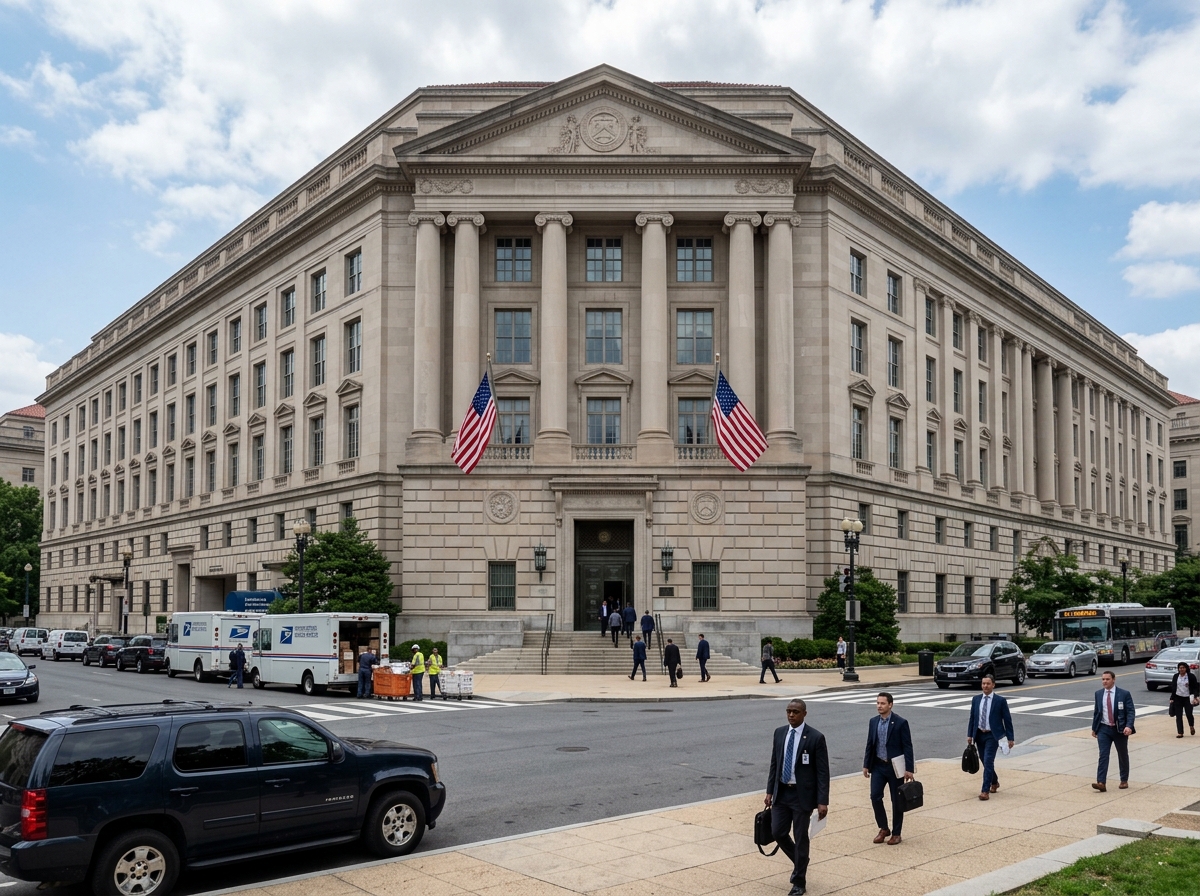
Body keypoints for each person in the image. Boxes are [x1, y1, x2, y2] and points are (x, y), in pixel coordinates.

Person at [765, 698, 830, 896]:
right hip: (782, 792)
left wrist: (822, 801)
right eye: (788, 711)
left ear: (804, 714)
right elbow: (774, 764)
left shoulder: (815, 738)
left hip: (802, 796)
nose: (791, 715)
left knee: (801, 837)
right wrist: (769, 791)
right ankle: (801, 860)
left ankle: (799, 881)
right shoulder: (780, 733)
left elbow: (822, 772)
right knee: (777, 832)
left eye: (795, 712)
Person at [862, 692, 914, 845]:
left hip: (894, 767)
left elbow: (907, 746)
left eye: (882, 703)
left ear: (890, 705)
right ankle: (884, 828)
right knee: (875, 796)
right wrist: (866, 764)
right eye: (877, 703)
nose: (879, 706)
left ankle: (896, 833)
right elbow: (869, 744)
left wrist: (909, 768)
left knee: (897, 800)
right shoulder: (873, 722)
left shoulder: (900, 723)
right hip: (878, 765)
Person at [967, 674, 1015, 800]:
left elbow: (1007, 720)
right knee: (985, 761)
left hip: (993, 735)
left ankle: (985, 791)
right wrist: (970, 735)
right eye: (983, 683)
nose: (985, 686)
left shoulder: (1000, 701)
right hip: (979, 735)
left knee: (988, 761)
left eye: (988, 684)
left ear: (993, 685)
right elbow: (972, 718)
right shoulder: (976, 699)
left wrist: (1010, 738)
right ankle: (994, 782)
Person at [1091, 670, 1135, 792]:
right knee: (1103, 755)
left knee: (1122, 754)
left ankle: (1124, 780)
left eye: (1107, 679)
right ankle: (1101, 782)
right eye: (1103, 679)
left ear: (1113, 679)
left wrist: (1128, 726)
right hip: (1104, 729)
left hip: (1119, 729)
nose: (1104, 681)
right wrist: (1094, 728)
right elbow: (1097, 712)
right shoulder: (1099, 694)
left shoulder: (1124, 694)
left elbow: (1130, 712)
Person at [1168, 661, 1199, 738]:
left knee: (1189, 714)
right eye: (1180, 668)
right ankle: (1180, 732)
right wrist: (1172, 698)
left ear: (1186, 668)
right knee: (1178, 716)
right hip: (1178, 698)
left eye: (1183, 668)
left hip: (1188, 698)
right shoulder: (1176, 676)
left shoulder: (1191, 676)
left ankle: (1191, 726)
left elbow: (1195, 687)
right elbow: (1173, 688)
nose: (1181, 669)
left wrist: (1195, 696)